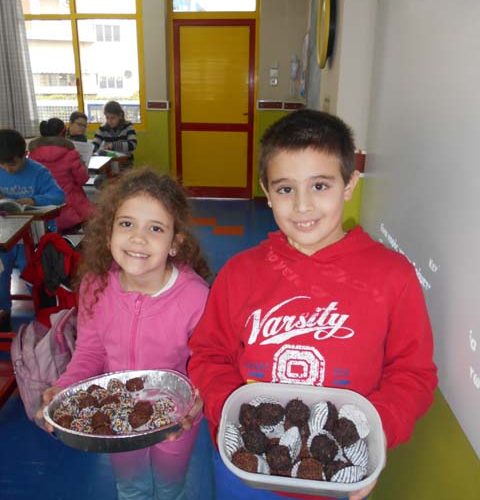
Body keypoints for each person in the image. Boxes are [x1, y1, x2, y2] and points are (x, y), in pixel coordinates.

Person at [188, 109, 438, 500]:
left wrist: (372, 437)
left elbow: (412, 373)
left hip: (339, 471)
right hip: (246, 469)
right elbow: (208, 355)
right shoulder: (239, 273)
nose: (302, 206)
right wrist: (235, 414)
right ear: (266, 191)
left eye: (320, 185)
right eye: (285, 189)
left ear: (349, 184)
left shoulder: (393, 277)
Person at [39, 168, 211, 500]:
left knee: (170, 486)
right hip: (118, 415)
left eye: (155, 228)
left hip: (176, 419)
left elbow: (205, 362)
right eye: (127, 224)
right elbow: (89, 351)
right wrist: (64, 388)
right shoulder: (96, 286)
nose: (138, 238)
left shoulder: (195, 297)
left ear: (175, 243)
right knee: (131, 487)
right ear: (108, 234)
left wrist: (195, 401)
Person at [0, 128, 65, 331]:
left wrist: (34, 200)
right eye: (2, 165)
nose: (7, 169)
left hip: (31, 236)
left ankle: (44, 315)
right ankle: (3, 312)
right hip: (4, 235)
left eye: (12, 164)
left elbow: (58, 196)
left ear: (25, 155)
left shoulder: (38, 172)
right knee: (1, 273)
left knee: (33, 274)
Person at [28, 118, 94, 233]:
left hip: (43, 209)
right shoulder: (71, 153)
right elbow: (83, 179)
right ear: (63, 133)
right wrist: (83, 165)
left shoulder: (32, 155)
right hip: (71, 208)